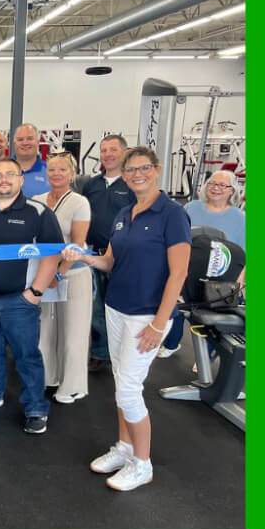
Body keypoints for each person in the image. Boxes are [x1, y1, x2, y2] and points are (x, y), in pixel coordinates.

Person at [62, 146, 191, 492]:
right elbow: (109, 262)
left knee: (130, 391)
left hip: (146, 316)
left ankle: (143, 464)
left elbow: (178, 274)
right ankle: (124, 448)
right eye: (131, 169)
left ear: (157, 169)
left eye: (143, 168)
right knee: (121, 384)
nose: (137, 174)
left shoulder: (173, 214)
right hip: (116, 308)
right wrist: (84, 257)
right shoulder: (124, 213)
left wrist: (159, 324)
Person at [0, 158, 62, 434]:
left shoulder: (38, 212)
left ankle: (35, 408)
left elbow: (51, 253)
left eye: (10, 175)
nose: (4, 180)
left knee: (26, 356)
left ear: (21, 179)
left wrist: (35, 293)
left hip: (20, 301)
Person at [159, 169, 246, 357]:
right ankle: (172, 344)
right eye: (213, 184)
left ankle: (207, 355)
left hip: (220, 276)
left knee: (213, 317)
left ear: (232, 191)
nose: (216, 188)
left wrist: (238, 283)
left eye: (223, 185)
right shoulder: (191, 208)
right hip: (187, 270)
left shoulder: (239, 218)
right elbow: (174, 237)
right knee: (174, 307)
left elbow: (244, 255)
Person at [32, 152, 92, 404]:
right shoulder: (36, 200)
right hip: (43, 274)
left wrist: (59, 272)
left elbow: (77, 244)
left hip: (73, 273)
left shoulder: (79, 202)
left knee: (73, 332)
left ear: (71, 173)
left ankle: (73, 385)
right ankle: (48, 376)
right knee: (45, 328)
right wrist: (47, 275)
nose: (56, 174)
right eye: (52, 169)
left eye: (62, 170)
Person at [81, 134, 134, 372]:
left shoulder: (132, 183)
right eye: (104, 150)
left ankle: (124, 352)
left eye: (113, 150)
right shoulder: (91, 185)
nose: (108, 154)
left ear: (124, 152)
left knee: (122, 305)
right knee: (96, 306)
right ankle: (101, 352)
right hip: (95, 254)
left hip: (124, 257)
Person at [11, 123, 50, 196]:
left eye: (30, 139)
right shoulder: (0, 170)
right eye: (20, 139)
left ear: (38, 142)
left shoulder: (51, 172)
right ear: (15, 143)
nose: (25, 143)